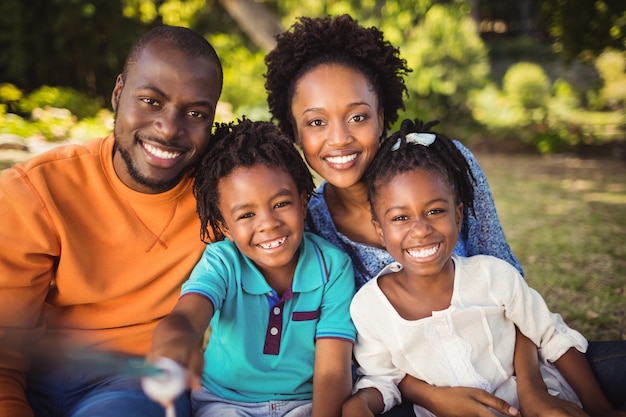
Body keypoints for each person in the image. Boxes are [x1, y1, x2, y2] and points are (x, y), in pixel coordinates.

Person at [264, 13, 626, 416]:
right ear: (295, 133)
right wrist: (434, 396)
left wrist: (533, 389)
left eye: (358, 116)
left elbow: (516, 298)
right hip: (413, 394)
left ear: (382, 117)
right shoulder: (306, 224)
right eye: (316, 122)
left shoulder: (447, 167)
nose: (339, 138)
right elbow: (366, 362)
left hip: (514, 365)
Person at [0, 25, 223, 417]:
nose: (169, 128)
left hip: (136, 384)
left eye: (194, 113)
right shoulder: (36, 191)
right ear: (119, 93)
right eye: (151, 101)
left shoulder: (222, 198)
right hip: (34, 372)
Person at [343, 118, 625, 417]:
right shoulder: (368, 307)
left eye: (436, 211)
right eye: (401, 218)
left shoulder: (493, 276)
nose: (421, 229)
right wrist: (359, 405)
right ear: (380, 230)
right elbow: (383, 378)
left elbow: (552, 335)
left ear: (459, 215)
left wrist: (600, 411)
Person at [147, 118, 356, 417]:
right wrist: (175, 342)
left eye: (281, 204)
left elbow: (332, 373)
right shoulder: (222, 262)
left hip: (305, 405)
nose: (268, 224)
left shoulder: (333, 267)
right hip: (223, 403)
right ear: (224, 226)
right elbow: (187, 315)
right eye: (246, 215)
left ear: (303, 200)